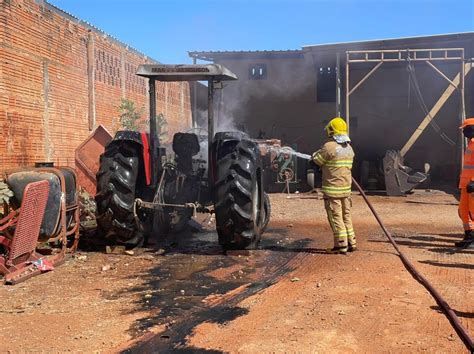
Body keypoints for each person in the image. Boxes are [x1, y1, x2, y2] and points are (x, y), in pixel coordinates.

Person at [312, 117, 355, 254]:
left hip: (333, 191)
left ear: (331, 130)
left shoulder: (329, 146)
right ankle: (351, 243)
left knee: (336, 217)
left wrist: (314, 155)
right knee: (346, 216)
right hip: (346, 190)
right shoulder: (349, 148)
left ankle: (340, 245)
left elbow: (318, 160)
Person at [456, 118, 474, 249]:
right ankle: (469, 236)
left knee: (473, 211)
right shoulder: (470, 143)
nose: (464, 132)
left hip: (472, 185)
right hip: (465, 185)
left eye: (466, 129)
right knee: (463, 211)